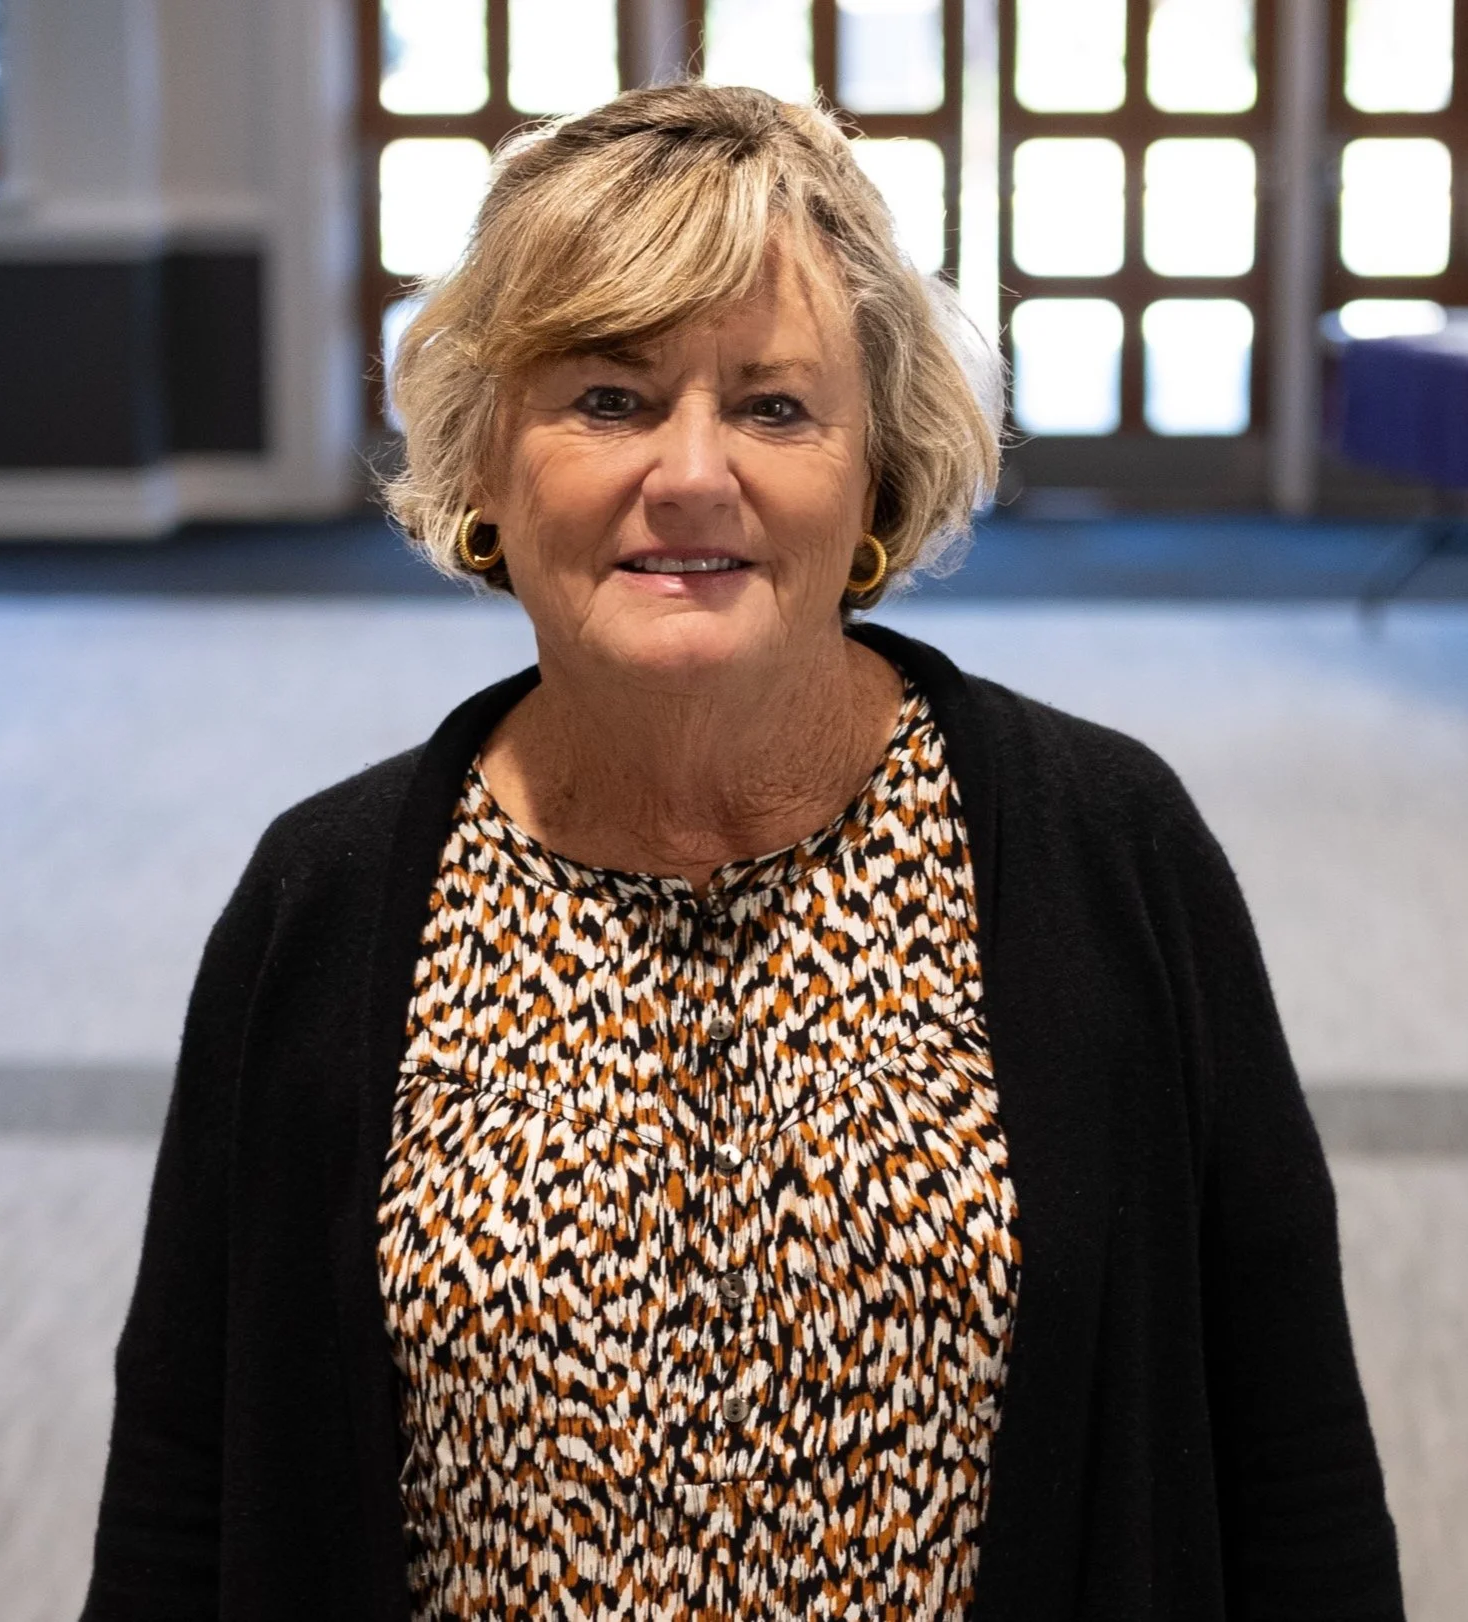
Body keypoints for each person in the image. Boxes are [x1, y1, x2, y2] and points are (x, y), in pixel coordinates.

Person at [79, 84, 1403, 1621]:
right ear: (487, 471)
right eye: (609, 397)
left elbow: (1289, 1451)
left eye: (773, 407)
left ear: (873, 482)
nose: (691, 473)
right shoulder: (324, 898)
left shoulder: (1106, 850)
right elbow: (184, 1482)